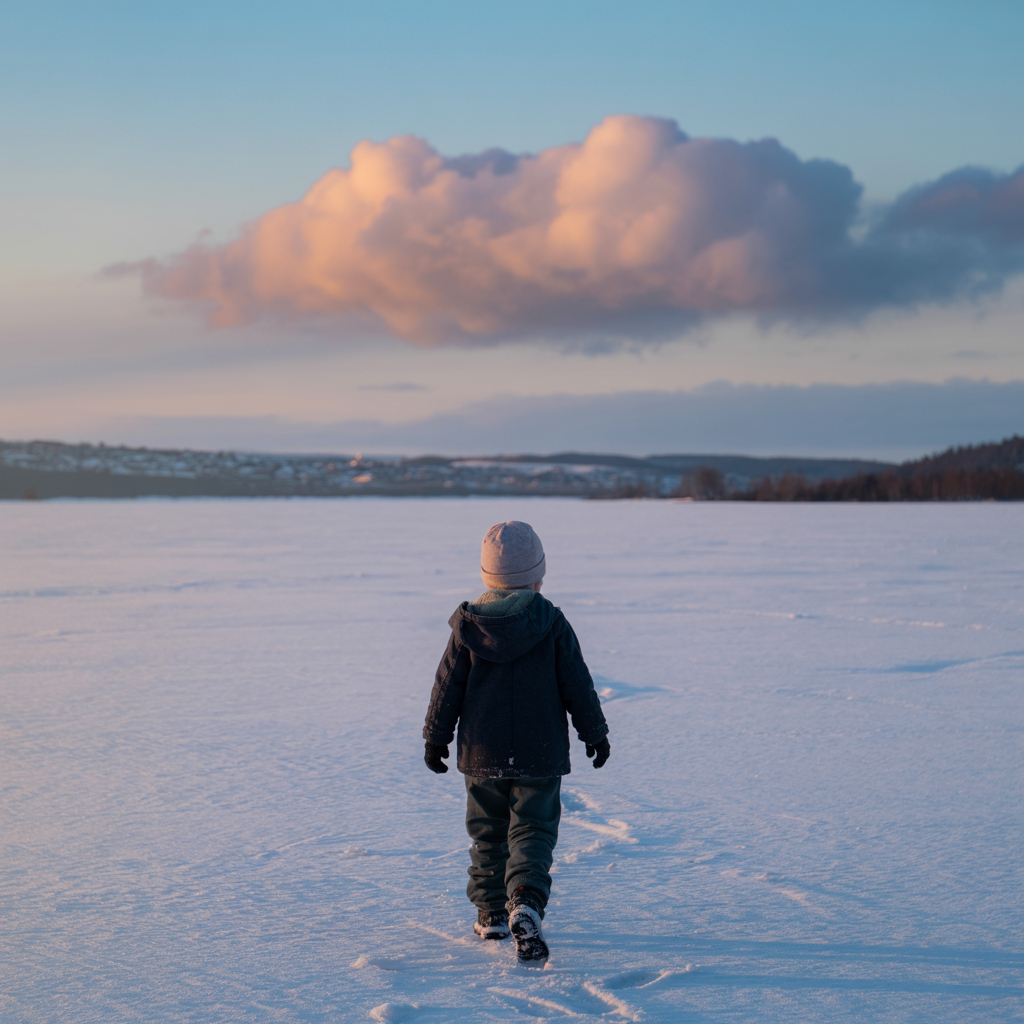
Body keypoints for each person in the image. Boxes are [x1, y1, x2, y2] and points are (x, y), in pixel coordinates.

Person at [422, 520, 610, 964]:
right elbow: (576, 684)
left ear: (487, 576)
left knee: (488, 830)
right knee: (533, 828)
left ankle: (491, 913)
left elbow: (447, 685)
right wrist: (595, 732)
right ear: (537, 576)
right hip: (538, 750)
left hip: (481, 751)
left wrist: (435, 737)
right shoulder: (551, 623)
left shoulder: (469, 627)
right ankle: (524, 897)